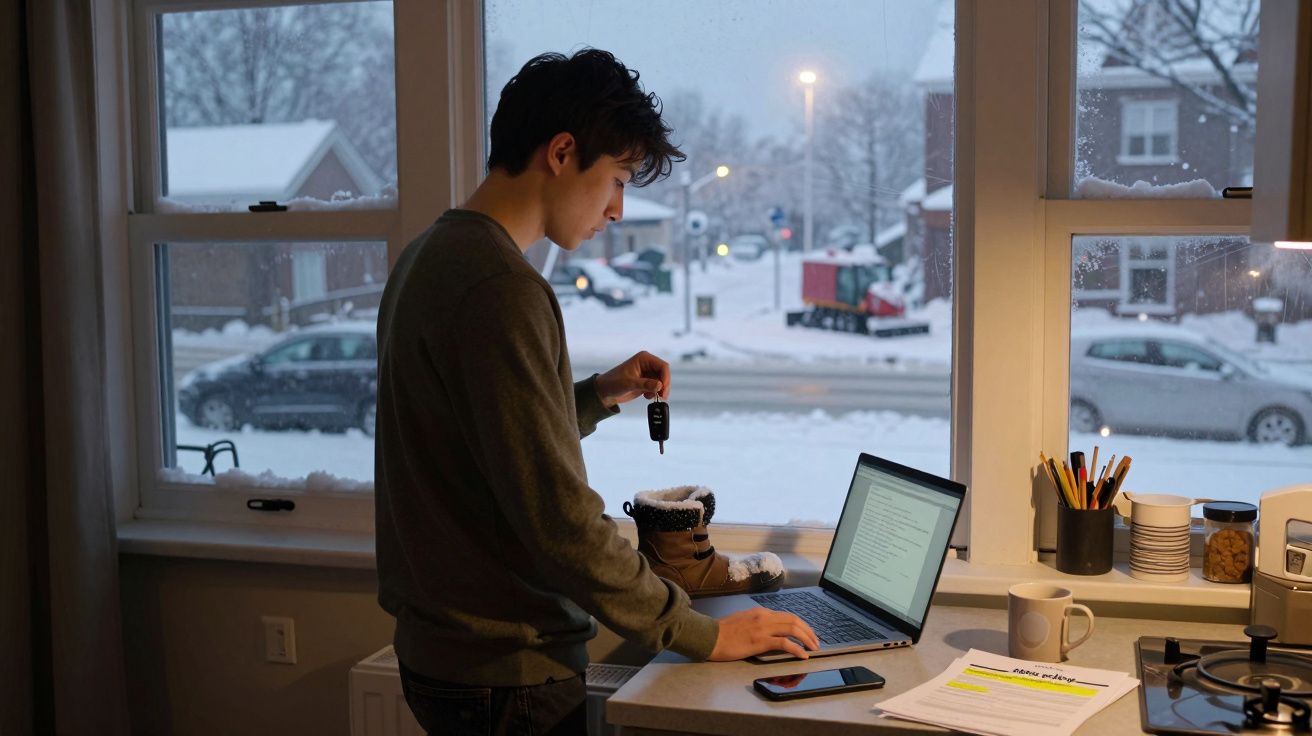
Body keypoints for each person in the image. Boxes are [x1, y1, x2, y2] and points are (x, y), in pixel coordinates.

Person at [374, 48, 818, 735]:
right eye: (615, 179)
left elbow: (486, 443)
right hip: (507, 669)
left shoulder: (430, 257)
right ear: (560, 152)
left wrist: (599, 394)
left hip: (449, 656)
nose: (616, 209)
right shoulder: (502, 289)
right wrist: (703, 634)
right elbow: (559, 521)